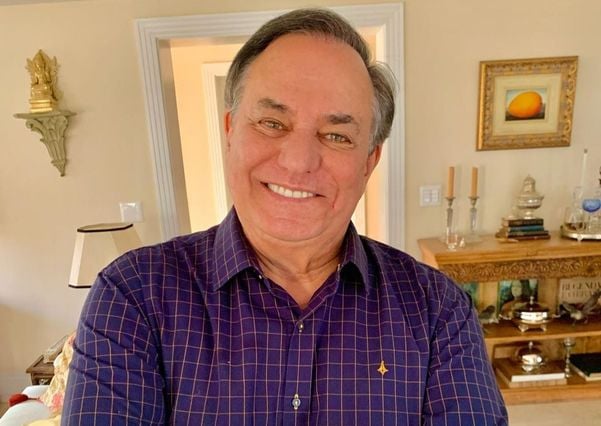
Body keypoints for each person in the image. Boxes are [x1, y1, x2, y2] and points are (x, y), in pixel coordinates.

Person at [63, 8, 507, 425]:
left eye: (336, 135)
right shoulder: (134, 296)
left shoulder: (438, 310)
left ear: (369, 162)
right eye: (272, 123)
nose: (298, 162)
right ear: (230, 131)